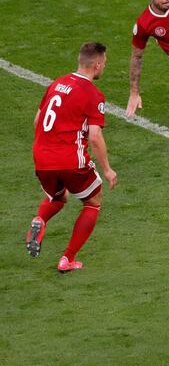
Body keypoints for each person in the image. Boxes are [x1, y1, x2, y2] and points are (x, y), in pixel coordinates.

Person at [26, 41, 117, 272]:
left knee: (58, 197)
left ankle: (40, 220)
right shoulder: (93, 94)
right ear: (97, 65)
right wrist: (107, 169)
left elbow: (38, 121)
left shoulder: (57, 84)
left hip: (42, 158)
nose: (104, 67)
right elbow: (95, 137)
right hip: (69, 159)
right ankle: (67, 258)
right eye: (104, 63)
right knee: (93, 201)